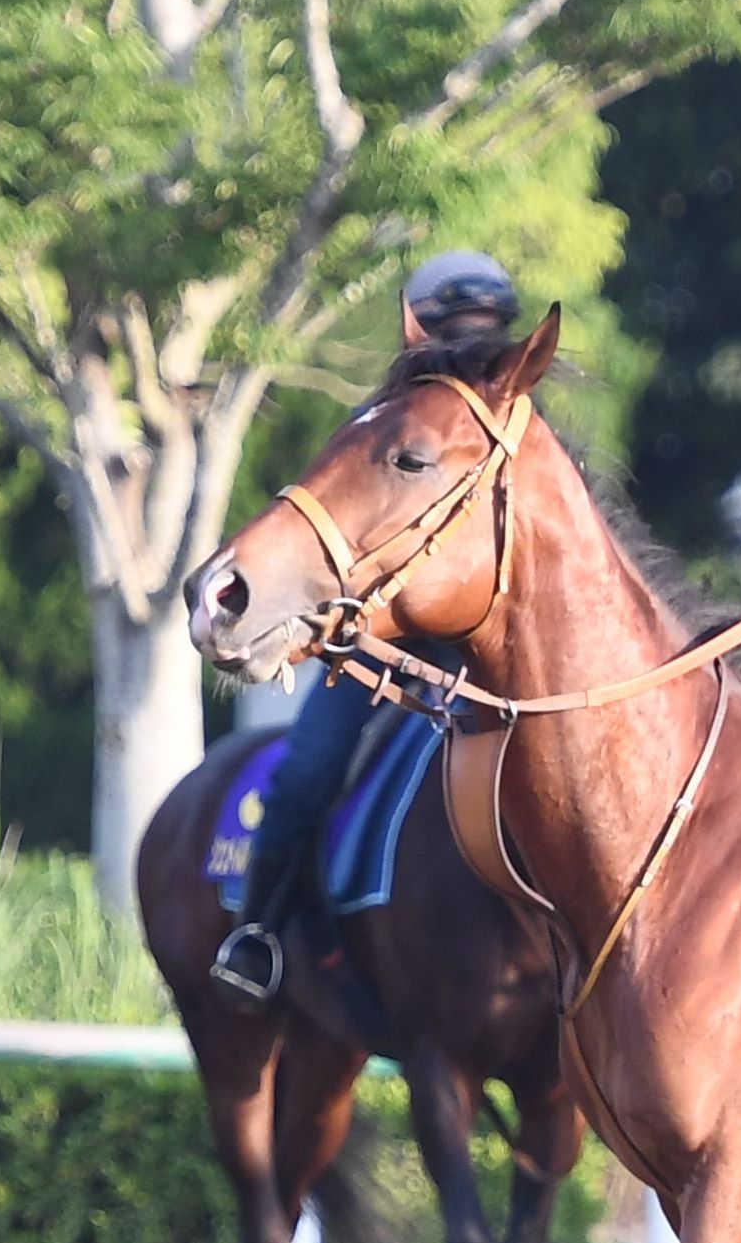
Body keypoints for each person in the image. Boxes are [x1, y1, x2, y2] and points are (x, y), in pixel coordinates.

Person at [211, 250, 522, 1006]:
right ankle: (257, 935)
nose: (465, 352)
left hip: (492, 653)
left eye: (483, 336)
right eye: (450, 334)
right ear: (416, 336)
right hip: (385, 653)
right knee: (309, 770)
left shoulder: (520, 430)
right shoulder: (375, 428)